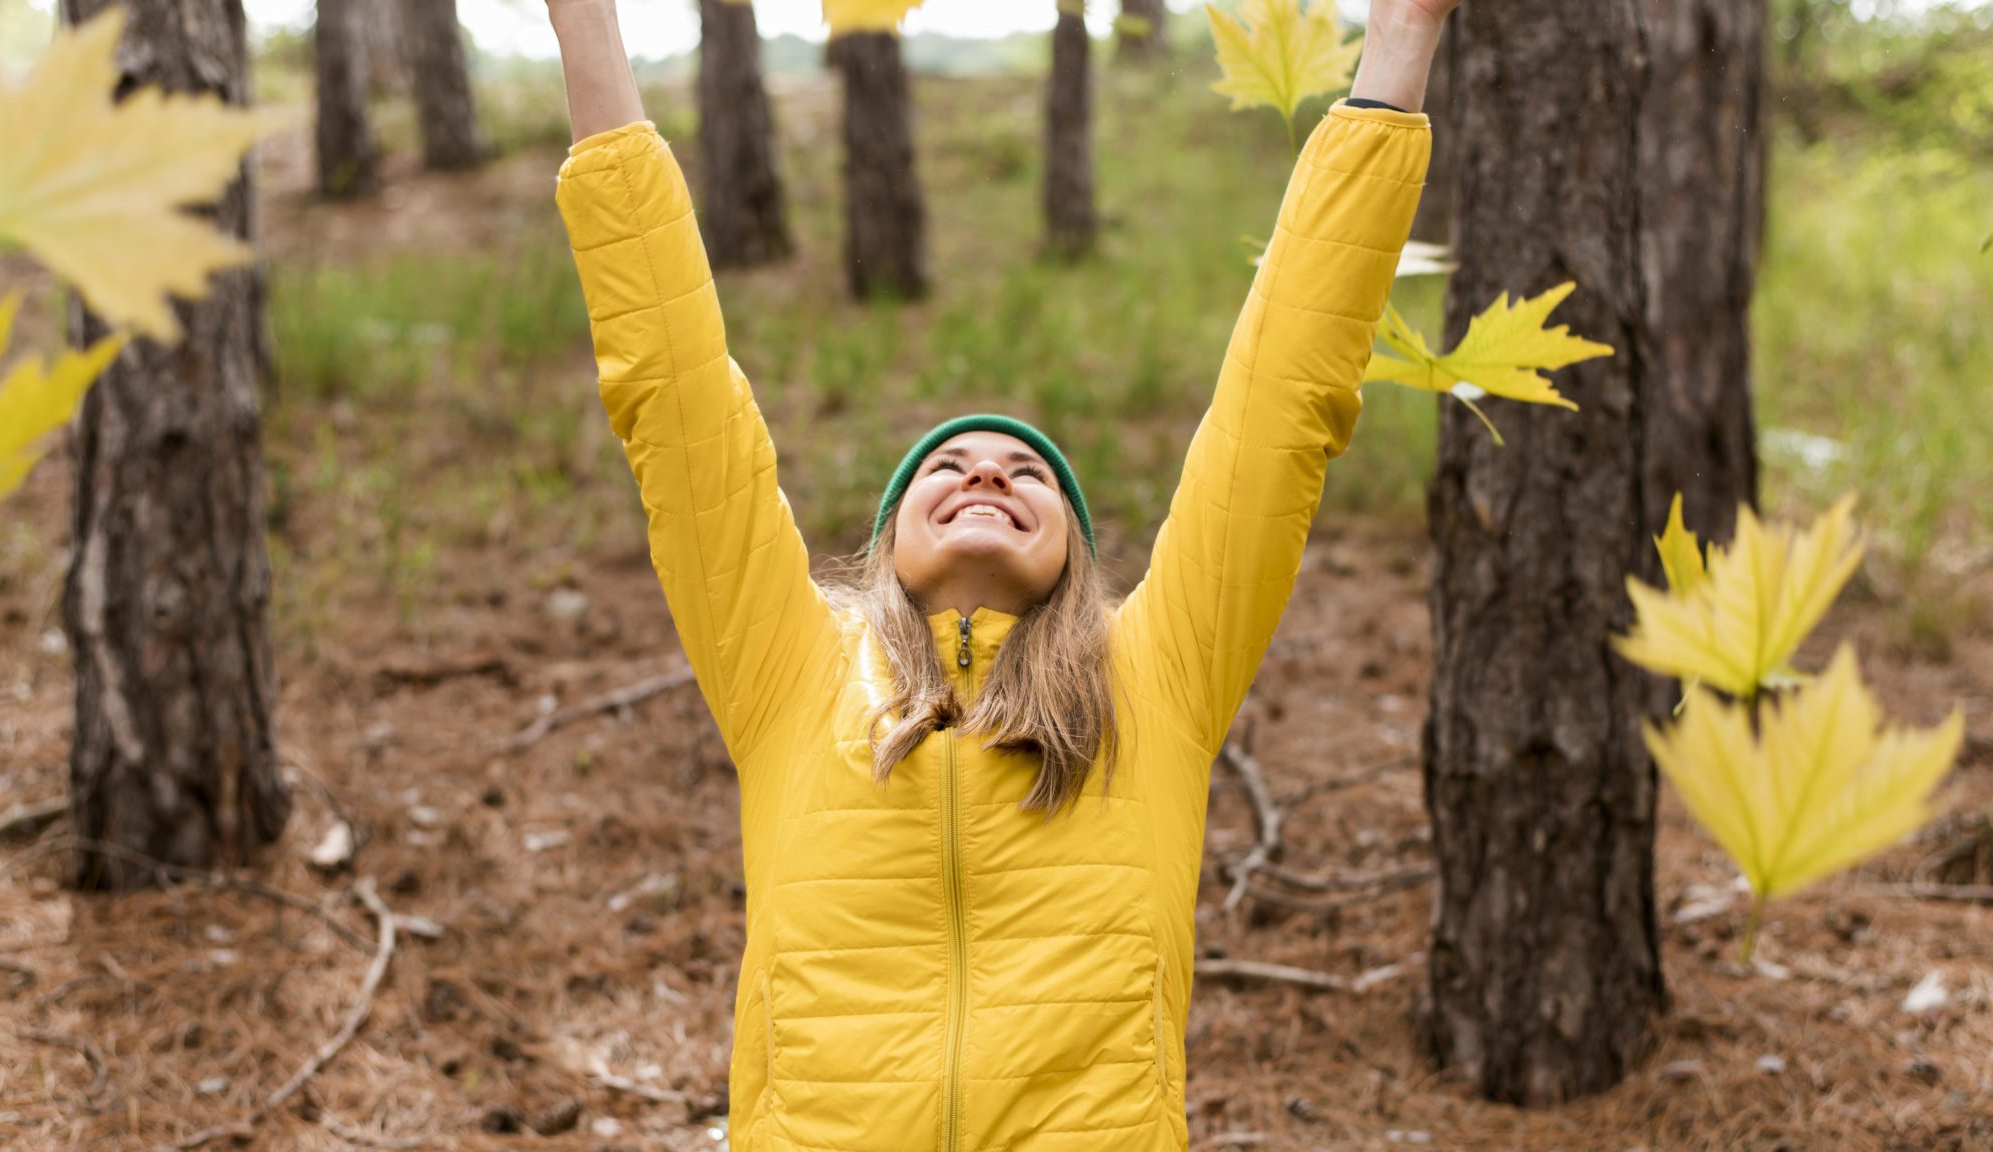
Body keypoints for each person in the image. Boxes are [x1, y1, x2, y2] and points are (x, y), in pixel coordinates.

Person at [545, 1, 1452, 1147]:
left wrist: (1402, 37)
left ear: (1072, 548)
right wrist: (584, 24)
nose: (985, 474)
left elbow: (1282, 403)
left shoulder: (1152, 679)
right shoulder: (791, 673)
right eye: (948, 467)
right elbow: (672, 394)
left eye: (1027, 471)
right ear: (885, 547)